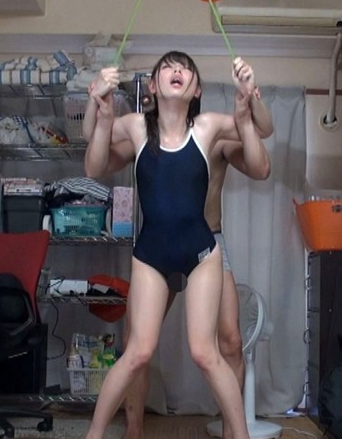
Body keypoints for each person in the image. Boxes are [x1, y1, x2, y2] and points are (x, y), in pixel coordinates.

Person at [83, 51, 269, 439]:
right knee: (137, 351)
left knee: (207, 351)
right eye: (167, 66)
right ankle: (100, 435)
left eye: (185, 67)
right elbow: (93, 162)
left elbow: (260, 155)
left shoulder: (209, 126)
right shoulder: (136, 126)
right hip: (151, 254)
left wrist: (247, 103)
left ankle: (240, 436)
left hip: (202, 249)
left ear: (197, 89)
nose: (177, 70)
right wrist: (98, 106)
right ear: (152, 85)